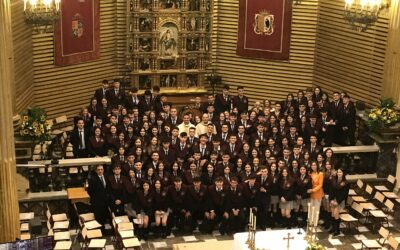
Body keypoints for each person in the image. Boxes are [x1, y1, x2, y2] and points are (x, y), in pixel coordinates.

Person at [88, 165, 110, 230]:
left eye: (101, 169)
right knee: (99, 218)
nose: (100, 171)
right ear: (96, 171)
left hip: (106, 201)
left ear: (103, 170)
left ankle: (104, 230)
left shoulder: (106, 177)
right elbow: (90, 191)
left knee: (104, 217)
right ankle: (100, 232)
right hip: (97, 202)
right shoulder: (92, 179)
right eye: (98, 169)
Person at [329, 168, 349, 236]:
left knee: (336, 214)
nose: (339, 173)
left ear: (343, 173)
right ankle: (333, 228)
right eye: (338, 172)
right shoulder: (334, 180)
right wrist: (331, 199)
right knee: (332, 214)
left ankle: (337, 230)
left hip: (340, 201)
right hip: (333, 200)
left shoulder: (345, 182)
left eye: (340, 172)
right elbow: (331, 191)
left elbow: (344, 194)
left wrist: (337, 201)